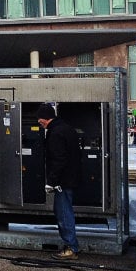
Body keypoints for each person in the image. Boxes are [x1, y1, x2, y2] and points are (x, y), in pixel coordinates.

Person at [37, 103, 82, 260]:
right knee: (64, 211)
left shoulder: (55, 133)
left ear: (45, 119)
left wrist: (52, 181)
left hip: (63, 181)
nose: (39, 122)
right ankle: (71, 245)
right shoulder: (66, 128)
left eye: (40, 119)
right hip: (70, 178)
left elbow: (58, 159)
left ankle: (71, 247)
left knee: (63, 213)